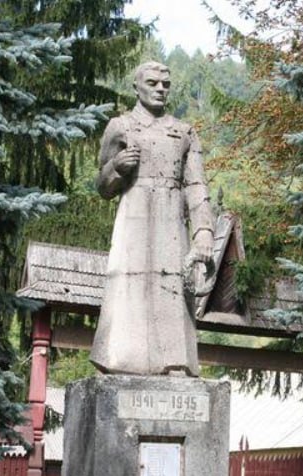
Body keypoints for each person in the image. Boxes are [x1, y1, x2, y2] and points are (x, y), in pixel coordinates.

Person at [90, 61, 215, 376]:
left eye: (165, 84)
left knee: (173, 288)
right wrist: (117, 166)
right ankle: (121, 360)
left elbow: (197, 186)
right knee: (128, 286)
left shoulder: (184, 131)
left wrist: (203, 232)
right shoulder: (120, 126)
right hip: (133, 214)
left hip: (172, 219)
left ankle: (175, 362)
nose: (160, 89)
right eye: (152, 82)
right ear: (137, 87)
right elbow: (103, 187)